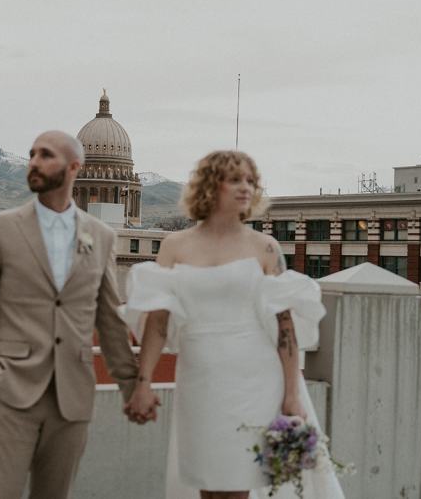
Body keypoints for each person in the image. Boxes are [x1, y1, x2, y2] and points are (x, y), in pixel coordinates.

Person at [122, 150, 344, 499]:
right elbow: (158, 323)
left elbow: (284, 328)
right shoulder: (174, 246)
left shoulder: (265, 248)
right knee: (207, 485)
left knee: (235, 486)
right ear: (211, 186)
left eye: (251, 181)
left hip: (254, 381)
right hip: (199, 381)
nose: (246, 188)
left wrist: (291, 395)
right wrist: (143, 383)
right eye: (235, 179)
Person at [0, 130, 144, 499]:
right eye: (32, 154)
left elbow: (108, 320)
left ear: (75, 167)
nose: (34, 162)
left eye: (46, 155)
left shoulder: (101, 236)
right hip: (11, 390)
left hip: (72, 395)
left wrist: (132, 387)